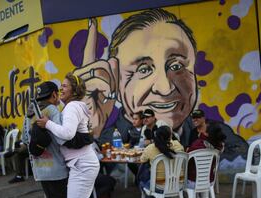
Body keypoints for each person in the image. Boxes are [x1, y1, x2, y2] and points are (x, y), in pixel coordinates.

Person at [73, 9, 197, 148]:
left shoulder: (218, 136)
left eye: (176, 66)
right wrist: (90, 132)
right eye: (143, 70)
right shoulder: (108, 139)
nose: (165, 88)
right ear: (116, 82)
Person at [37, 74, 100, 198]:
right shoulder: (74, 106)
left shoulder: (72, 107)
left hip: (82, 164)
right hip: (82, 163)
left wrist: (47, 123)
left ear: (74, 89)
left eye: (65, 86)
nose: (61, 89)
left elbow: (67, 134)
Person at [30, 81, 77, 198]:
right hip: (57, 170)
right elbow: (62, 138)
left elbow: (26, 139)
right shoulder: (52, 110)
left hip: (40, 170)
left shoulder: (30, 112)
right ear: (54, 94)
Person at [138, 125, 184, 198]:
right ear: (170, 136)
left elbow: (142, 160)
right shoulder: (178, 145)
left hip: (159, 185)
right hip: (177, 183)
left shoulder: (150, 148)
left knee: (142, 181)